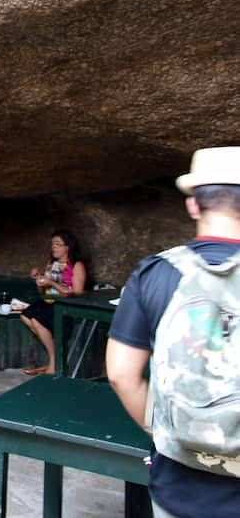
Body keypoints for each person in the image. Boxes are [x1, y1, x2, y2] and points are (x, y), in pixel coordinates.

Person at [107, 147, 240, 518]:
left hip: (179, 484)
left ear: (194, 206)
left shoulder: (155, 273)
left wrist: (166, 435)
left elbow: (121, 374)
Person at [20, 230, 87, 375]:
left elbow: (78, 292)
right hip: (49, 301)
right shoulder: (51, 263)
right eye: (52, 244)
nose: (54, 247)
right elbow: (42, 292)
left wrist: (51, 282)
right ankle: (56, 356)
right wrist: (38, 279)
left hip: (67, 305)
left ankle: (53, 362)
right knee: (25, 316)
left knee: (38, 321)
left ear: (67, 247)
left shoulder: (76, 265)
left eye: (58, 244)